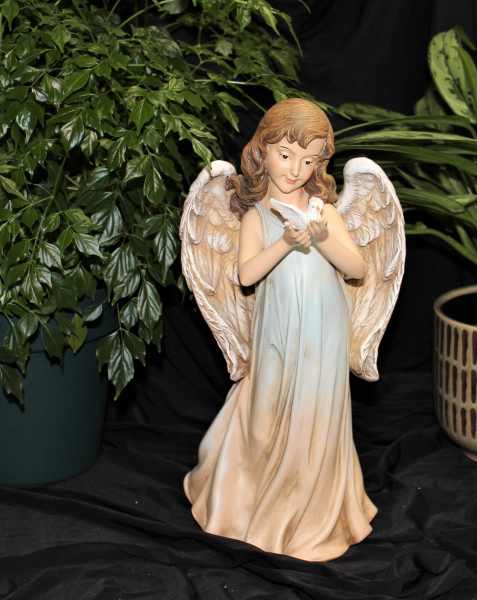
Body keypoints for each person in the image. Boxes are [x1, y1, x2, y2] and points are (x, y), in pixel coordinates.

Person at [181, 98, 404, 561]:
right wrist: (285, 242)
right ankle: (252, 501)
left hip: (324, 331)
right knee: (266, 410)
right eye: (285, 155)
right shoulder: (255, 217)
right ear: (262, 150)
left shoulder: (326, 213)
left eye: (309, 161)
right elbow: (246, 275)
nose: (295, 170)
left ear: (320, 163)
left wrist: (321, 238)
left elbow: (358, 268)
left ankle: (314, 511)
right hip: (277, 331)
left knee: (315, 414)